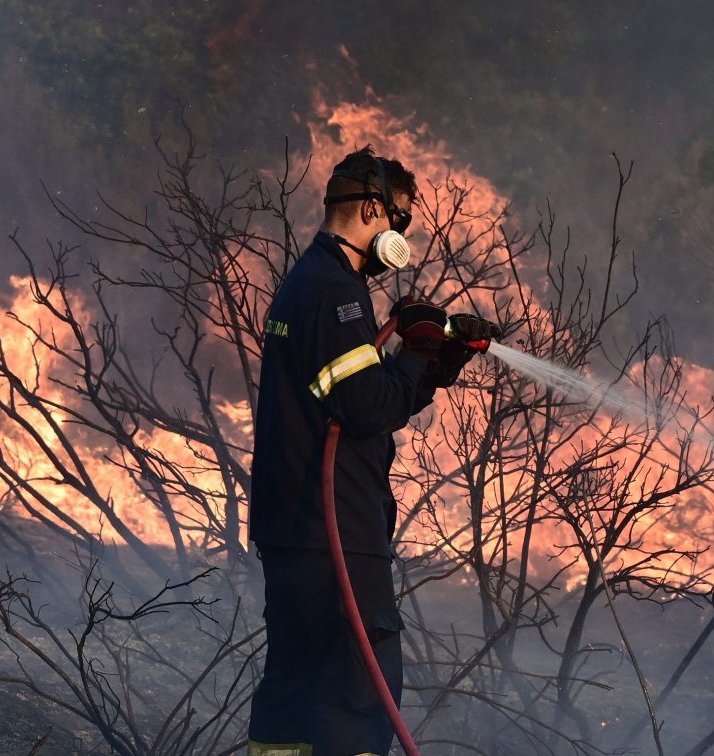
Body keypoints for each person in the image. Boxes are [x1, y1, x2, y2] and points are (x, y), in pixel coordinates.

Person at [247, 146, 499, 756]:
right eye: (400, 218)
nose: (401, 234)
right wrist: (414, 353)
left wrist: (437, 362)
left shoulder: (308, 280)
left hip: (293, 525)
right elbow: (365, 410)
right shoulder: (338, 291)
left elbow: (359, 396)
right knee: (359, 690)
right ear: (369, 208)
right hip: (336, 523)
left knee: (295, 684)